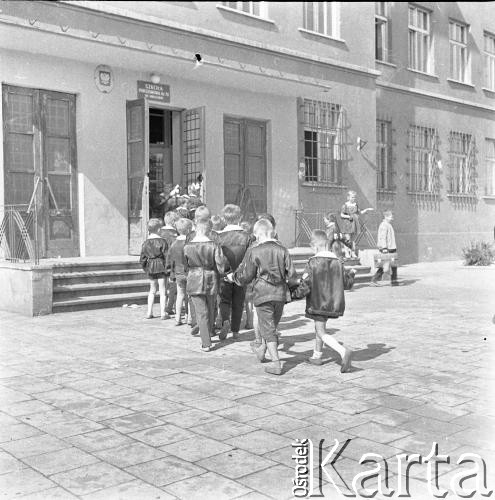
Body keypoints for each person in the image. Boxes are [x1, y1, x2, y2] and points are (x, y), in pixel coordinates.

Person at [232, 218, 298, 375]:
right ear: (273, 232)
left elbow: (246, 276)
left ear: (256, 235)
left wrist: (233, 278)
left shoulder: (255, 251)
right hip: (280, 294)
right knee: (270, 327)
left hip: (262, 294)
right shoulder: (283, 250)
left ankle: (276, 363)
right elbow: (293, 275)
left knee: (268, 329)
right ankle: (262, 350)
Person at [292, 230, 355, 372]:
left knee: (320, 331)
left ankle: (343, 351)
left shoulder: (313, 262)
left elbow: (305, 285)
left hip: (318, 302)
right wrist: (352, 274)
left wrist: (293, 295)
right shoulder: (338, 262)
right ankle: (317, 355)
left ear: (314, 246)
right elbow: (347, 284)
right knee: (320, 328)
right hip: (333, 303)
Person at [184, 219, 226, 351]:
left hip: (194, 278)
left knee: (201, 312)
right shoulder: (214, 245)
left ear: (195, 228)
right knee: (211, 308)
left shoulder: (187, 246)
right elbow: (220, 266)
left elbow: (185, 265)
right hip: (211, 278)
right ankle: (209, 331)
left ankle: (206, 342)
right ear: (209, 230)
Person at [217, 204, 253, 341]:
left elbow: (217, 257)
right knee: (239, 302)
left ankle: (225, 320)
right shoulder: (247, 237)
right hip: (241, 274)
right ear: (240, 217)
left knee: (225, 300)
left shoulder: (219, 237)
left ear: (223, 219)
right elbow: (250, 257)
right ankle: (236, 331)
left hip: (224, 273)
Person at [139, 218, 169, 320]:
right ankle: (163, 313)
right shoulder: (163, 241)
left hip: (150, 266)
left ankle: (149, 312)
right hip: (161, 266)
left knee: (152, 290)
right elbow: (167, 255)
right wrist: (168, 268)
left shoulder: (145, 243)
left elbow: (142, 258)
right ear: (159, 229)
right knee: (162, 290)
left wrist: (146, 268)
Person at [167, 218, 193, 326]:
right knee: (190, 296)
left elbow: (170, 260)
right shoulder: (190, 243)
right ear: (189, 229)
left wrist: (171, 272)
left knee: (180, 295)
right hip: (189, 272)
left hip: (178, 272)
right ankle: (190, 317)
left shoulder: (173, 244)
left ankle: (177, 318)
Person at [340, 190, 373, 257]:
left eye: (354, 197)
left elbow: (359, 213)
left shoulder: (356, 205)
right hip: (348, 223)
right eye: (352, 197)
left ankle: (352, 252)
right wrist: (349, 216)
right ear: (348, 197)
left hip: (355, 224)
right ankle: (347, 253)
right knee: (347, 239)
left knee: (353, 240)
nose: (353, 198)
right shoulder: (345, 205)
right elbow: (341, 215)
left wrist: (366, 210)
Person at [160, 211, 180, 318]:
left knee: (163, 287)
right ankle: (170, 306)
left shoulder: (159, 232)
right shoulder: (175, 235)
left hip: (159, 262)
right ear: (173, 222)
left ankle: (165, 308)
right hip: (171, 263)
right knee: (172, 285)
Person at [371, 210, 398, 286]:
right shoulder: (384, 225)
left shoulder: (388, 224)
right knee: (385, 265)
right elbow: (383, 237)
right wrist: (384, 248)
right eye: (390, 216)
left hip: (391, 247)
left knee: (394, 265)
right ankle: (374, 280)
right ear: (386, 217)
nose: (392, 218)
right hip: (388, 248)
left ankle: (394, 281)